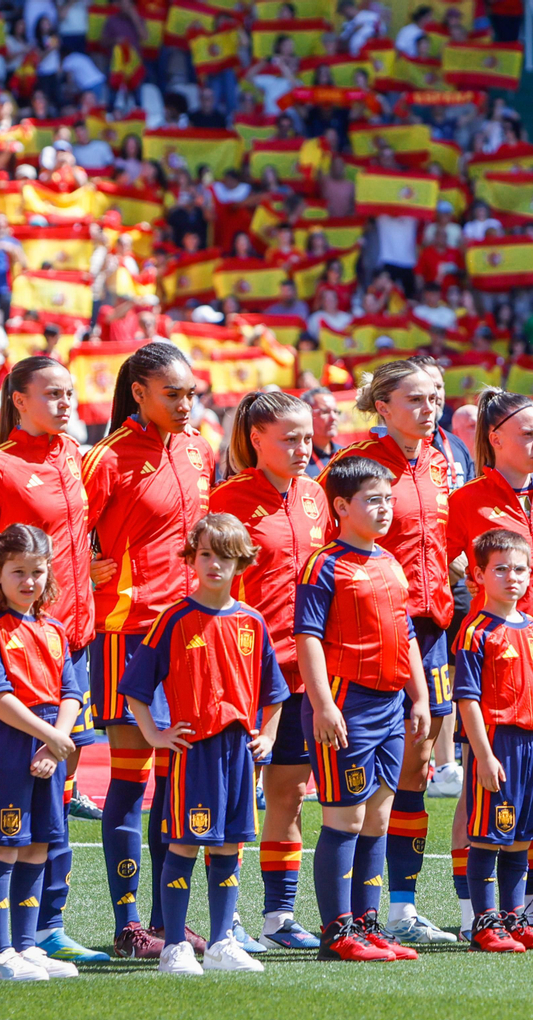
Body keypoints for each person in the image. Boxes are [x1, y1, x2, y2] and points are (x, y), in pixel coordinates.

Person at [0, 355, 109, 965]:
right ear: (18, 401)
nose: (65, 403)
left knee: (58, 798)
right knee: (11, 806)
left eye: (69, 393)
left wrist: (92, 568)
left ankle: (45, 927)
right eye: (52, 393)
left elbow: (79, 537)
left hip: (67, 643)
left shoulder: (75, 455)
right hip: (14, 647)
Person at [82, 341, 218, 959]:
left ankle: (169, 922)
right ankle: (128, 923)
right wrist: (85, 563)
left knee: (176, 782)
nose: (185, 404)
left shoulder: (198, 449)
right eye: (173, 394)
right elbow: (67, 532)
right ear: (138, 393)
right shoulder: (107, 457)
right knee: (131, 780)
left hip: (191, 634)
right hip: (128, 633)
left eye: (191, 393)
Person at [319, 358, 457, 946]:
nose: (430, 408)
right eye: (416, 399)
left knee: (416, 768)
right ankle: (342, 917)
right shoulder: (355, 467)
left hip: (432, 632)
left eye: (435, 398)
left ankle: (400, 907)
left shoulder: (442, 462)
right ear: (383, 407)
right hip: (370, 636)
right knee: (363, 784)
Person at [121, 513, 287, 976]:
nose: (215, 564)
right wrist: (155, 734)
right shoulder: (174, 619)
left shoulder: (252, 622)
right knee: (184, 845)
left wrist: (268, 735)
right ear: (192, 559)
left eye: (225, 557)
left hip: (239, 753)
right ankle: (175, 945)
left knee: (229, 847)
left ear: (242, 563)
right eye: (206, 554)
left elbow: (274, 692)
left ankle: (220, 943)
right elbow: (134, 688)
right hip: (193, 753)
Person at [446, 389, 533, 937]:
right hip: (493, 660)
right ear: (495, 438)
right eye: (527, 434)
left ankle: (532, 905)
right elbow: (443, 566)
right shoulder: (466, 500)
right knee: (478, 790)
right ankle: (472, 911)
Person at [208, 392, 329, 952]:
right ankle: (225, 919)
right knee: (234, 801)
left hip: (304, 672)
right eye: (290, 439)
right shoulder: (228, 500)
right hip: (243, 672)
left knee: (290, 794)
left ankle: (278, 918)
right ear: (256, 439)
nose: (303, 449)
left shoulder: (315, 494)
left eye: (307, 438)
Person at [295, 456, 428, 963]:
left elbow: (407, 633)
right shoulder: (324, 564)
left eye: (389, 499)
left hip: (391, 705)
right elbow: (307, 637)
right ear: (341, 507)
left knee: (378, 817)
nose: (385, 508)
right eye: (373, 500)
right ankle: (337, 931)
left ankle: (368, 925)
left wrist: (419, 696)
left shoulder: (390, 562)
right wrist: (323, 704)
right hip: (347, 704)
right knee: (345, 819)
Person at [0, 524, 84, 982]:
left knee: (38, 845)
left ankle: (27, 945)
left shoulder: (54, 628)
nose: (29, 581)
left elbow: (71, 692)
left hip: (49, 745)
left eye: (37, 571)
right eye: (18, 572)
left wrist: (56, 741)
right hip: (6, 746)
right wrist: (50, 737)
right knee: (2, 844)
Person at [454, 528, 533, 954]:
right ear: (479, 576)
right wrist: (483, 756)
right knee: (490, 835)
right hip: (498, 743)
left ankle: (514, 920)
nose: (512, 577)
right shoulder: (476, 631)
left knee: (523, 835)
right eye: (500, 569)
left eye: (520, 569)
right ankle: (484, 923)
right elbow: (467, 701)